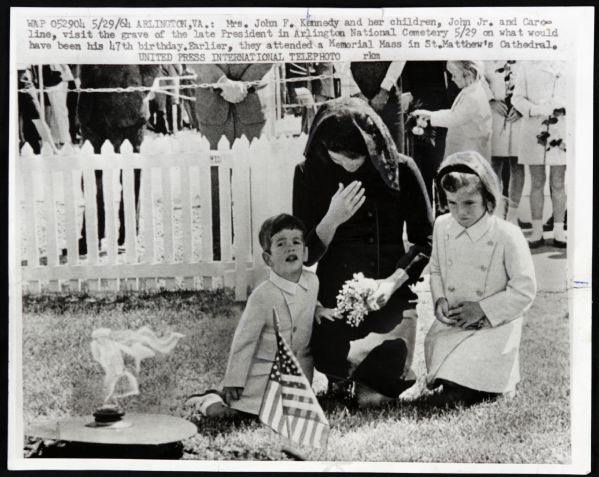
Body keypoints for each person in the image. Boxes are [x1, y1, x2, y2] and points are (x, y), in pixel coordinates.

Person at [293, 97, 433, 408]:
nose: (347, 165)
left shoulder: (404, 170)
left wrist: (391, 283)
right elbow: (305, 255)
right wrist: (331, 220)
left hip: (391, 295)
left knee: (373, 398)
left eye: (355, 158)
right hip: (335, 301)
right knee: (351, 382)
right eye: (337, 158)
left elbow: (426, 242)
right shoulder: (307, 173)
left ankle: (363, 381)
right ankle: (344, 378)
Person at [185, 214, 325, 419]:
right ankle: (209, 400)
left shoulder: (312, 282)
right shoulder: (263, 295)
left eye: (296, 242)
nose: (290, 248)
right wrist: (234, 379)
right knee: (234, 415)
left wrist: (318, 309)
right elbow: (245, 339)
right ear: (268, 258)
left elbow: (308, 300)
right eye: (281, 243)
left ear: (304, 253)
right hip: (263, 376)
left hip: (298, 373)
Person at [424, 151, 537, 404]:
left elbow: (524, 290)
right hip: (453, 324)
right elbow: (436, 270)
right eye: (452, 203)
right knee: (451, 380)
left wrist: (482, 309)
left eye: (468, 203)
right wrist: (440, 299)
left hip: (493, 327)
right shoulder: (442, 226)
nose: (460, 212)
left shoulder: (507, 235)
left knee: (461, 390)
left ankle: (491, 384)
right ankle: (464, 382)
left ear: (488, 198)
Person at [512, 61, 567, 248]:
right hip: (534, 128)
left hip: (561, 127)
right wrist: (536, 109)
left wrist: (559, 105)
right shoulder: (526, 65)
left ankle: (559, 232)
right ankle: (537, 232)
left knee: (558, 182)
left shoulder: (566, 62)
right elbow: (517, 98)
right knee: (537, 181)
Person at [413, 60, 492, 161]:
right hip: (465, 150)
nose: (452, 79)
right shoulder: (470, 90)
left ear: (467, 75)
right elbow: (455, 113)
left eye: (454, 75)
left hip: (470, 153)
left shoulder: (473, 97)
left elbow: (454, 118)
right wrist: (429, 114)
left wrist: (431, 116)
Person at [484, 60, 525, 224]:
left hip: (518, 115)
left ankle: (512, 217)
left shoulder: (524, 57)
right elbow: (480, 79)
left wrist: (523, 107)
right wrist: (490, 101)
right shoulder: (487, 55)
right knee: (495, 163)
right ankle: (496, 214)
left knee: (518, 163)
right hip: (496, 113)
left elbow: (531, 82)